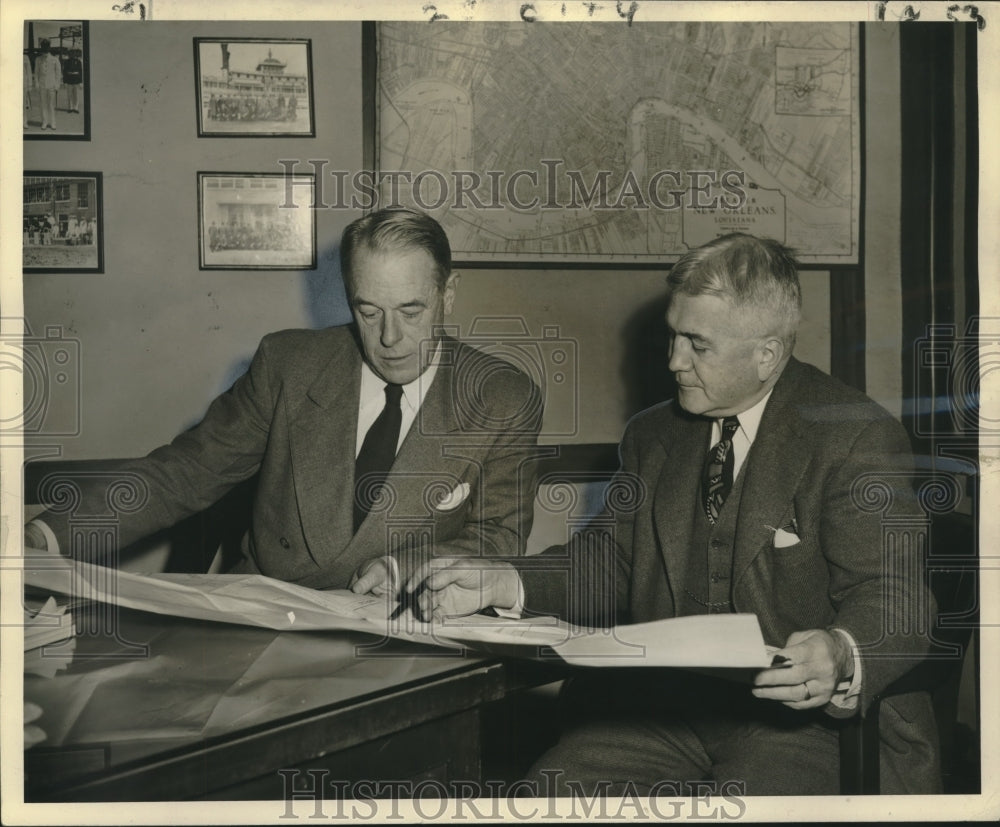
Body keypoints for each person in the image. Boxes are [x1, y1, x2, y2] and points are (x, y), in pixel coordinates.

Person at [391, 233, 938, 795]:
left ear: (766, 355)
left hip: (809, 730)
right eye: (673, 336)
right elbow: (608, 564)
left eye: (697, 345)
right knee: (547, 798)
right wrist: (501, 580)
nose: (673, 361)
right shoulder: (654, 434)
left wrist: (842, 650)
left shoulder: (855, 436)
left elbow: (896, 597)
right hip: (665, 712)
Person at [26, 207, 543, 591]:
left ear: (448, 294)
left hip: (405, 626)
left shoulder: (503, 396)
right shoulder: (288, 364)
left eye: (411, 310)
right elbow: (184, 472)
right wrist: (48, 536)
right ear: (347, 298)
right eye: (368, 311)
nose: (390, 338)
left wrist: (408, 570)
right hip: (269, 612)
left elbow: (497, 538)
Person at [34, 39, 62, 131]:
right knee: (43, 104)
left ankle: (53, 122)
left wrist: (57, 85)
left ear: (49, 47)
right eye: (43, 47)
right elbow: (36, 73)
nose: (45, 48)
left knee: (51, 105)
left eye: (46, 46)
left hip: (51, 86)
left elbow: (58, 74)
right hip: (42, 86)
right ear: (42, 47)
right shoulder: (38, 59)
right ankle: (45, 122)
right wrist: (37, 83)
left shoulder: (55, 59)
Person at [63, 48, 83, 113]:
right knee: (69, 95)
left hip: (76, 80)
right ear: (69, 54)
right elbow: (64, 72)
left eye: (73, 53)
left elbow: (80, 72)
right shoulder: (66, 62)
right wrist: (65, 81)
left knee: (76, 95)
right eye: (70, 53)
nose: (72, 54)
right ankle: (70, 108)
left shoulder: (78, 61)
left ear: (75, 54)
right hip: (69, 80)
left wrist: (80, 82)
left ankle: (76, 108)